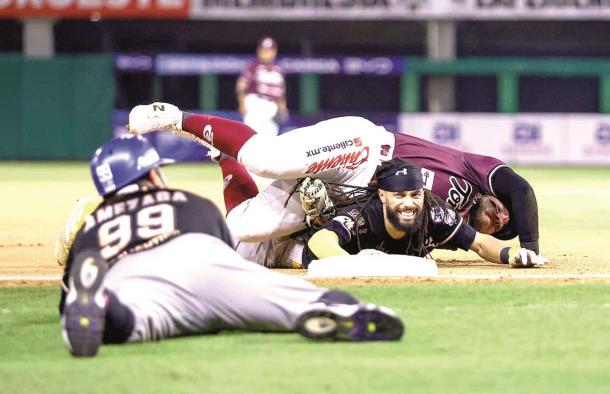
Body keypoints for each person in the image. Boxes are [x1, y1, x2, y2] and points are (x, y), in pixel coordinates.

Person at [57, 135, 404, 358]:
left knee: (132, 320)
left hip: (136, 281)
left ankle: (104, 306)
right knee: (289, 300)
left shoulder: (91, 228)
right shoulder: (187, 202)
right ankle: (339, 309)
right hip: (205, 263)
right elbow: (227, 252)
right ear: (151, 176)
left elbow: (65, 298)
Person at [126, 103, 541, 260]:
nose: (500, 216)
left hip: (348, 194)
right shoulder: (474, 170)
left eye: (501, 225)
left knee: (242, 234)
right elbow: (521, 190)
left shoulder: (441, 223)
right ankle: (176, 117)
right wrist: (530, 247)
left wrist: (325, 217)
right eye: (502, 210)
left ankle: (224, 158)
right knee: (271, 159)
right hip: (363, 149)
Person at [302, 158, 547, 268]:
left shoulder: (435, 215)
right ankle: (318, 214)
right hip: (309, 254)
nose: (409, 203)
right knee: (292, 253)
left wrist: (514, 255)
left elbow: (480, 244)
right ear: (383, 196)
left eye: (415, 195)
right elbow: (321, 240)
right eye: (399, 196)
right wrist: (351, 265)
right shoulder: (365, 215)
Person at [236, 36, 287, 137]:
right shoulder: (253, 66)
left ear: (274, 51)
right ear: (259, 50)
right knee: (252, 138)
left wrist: (282, 107)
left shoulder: (278, 69)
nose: (266, 53)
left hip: (272, 107)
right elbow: (241, 87)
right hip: (255, 104)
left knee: (270, 140)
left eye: (269, 50)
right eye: (264, 50)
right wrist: (242, 104)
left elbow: (281, 92)